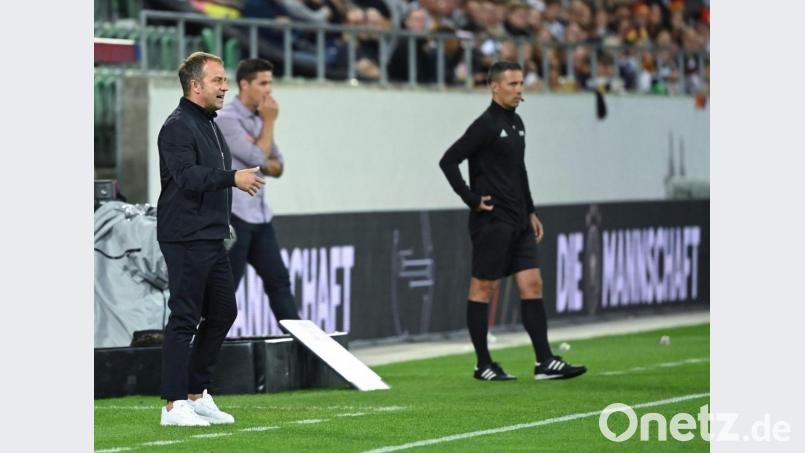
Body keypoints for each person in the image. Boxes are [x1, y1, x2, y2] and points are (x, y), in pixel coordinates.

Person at [438, 60, 587, 381]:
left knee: (533, 285)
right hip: (492, 221)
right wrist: (472, 198)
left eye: (521, 84)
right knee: (483, 288)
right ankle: (483, 364)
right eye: (513, 84)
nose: (520, 90)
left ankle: (544, 362)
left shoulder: (517, 123)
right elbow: (448, 160)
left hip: (519, 219)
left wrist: (531, 210)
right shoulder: (486, 125)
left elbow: (519, 171)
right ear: (494, 87)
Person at [157, 51, 265, 426]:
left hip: (211, 236)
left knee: (223, 312)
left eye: (224, 80)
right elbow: (187, 177)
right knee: (184, 317)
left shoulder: (208, 123)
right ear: (195, 85)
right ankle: (172, 405)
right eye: (218, 80)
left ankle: (195, 393)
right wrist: (232, 178)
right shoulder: (176, 127)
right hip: (185, 236)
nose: (225, 87)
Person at [215, 58, 301, 323]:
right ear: (244, 84)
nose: (269, 90)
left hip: (260, 217)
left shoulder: (257, 121)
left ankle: (302, 347)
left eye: (270, 83)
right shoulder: (228, 119)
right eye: (263, 83)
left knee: (279, 281)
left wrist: (261, 148)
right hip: (235, 218)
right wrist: (269, 124)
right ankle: (207, 354)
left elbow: (278, 165)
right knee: (226, 293)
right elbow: (258, 159)